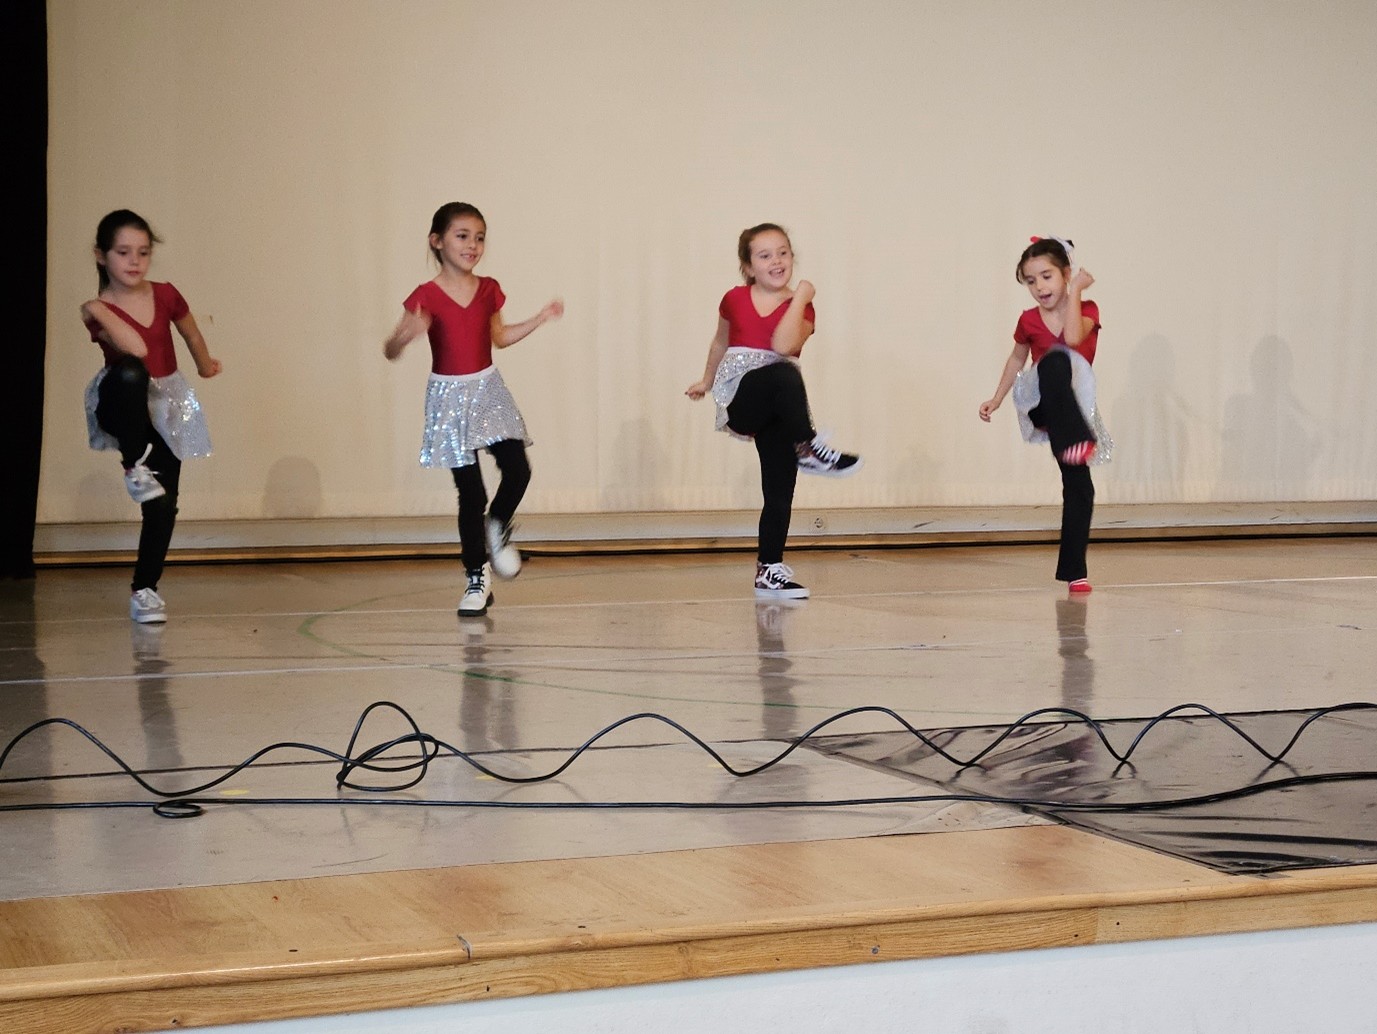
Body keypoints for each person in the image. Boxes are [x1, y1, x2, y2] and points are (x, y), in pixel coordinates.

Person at [384, 202, 562, 617]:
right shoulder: (425, 296)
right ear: (438, 241)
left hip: (486, 389)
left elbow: (498, 337)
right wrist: (403, 337)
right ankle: (476, 577)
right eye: (462, 236)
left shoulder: (488, 289)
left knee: (518, 468)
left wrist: (539, 318)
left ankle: (497, 526)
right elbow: (390, 349)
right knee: (471, 491)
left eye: (479, 237)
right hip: (448, 397)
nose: (473, 245)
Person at [686, 222, 861, 601]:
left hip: (781, 401)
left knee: (779, 490)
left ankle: (769, 570)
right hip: (742, 396)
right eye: (764, 255)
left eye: (783, 252)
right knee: (781, 372)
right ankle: (809, 448)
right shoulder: (734, 298)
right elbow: (721, 341)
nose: (776, 260)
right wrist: (706, 379)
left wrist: (799, 297)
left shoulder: (802, 306)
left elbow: (784, 343)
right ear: (748, 267)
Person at [80, 210, 222, 624]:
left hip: (166, 404)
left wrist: (204, 363)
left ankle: (145, 590)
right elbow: (135, 350)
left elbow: (190, 332)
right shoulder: (98, 310)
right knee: (131, 371)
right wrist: (98, 305)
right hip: (121, 400)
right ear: (101, 256)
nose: (135, 261)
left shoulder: (166, 294)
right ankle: (132, 465)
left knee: (163, 506)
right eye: (123, 252)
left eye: (143, 252)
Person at [979, 236, 1109, 593]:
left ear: (1066, 273)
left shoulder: (1087, 309)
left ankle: (1075, 571)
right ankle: (1074, 439)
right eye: (1031, 281)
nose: (1039, 287)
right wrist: (997, 398)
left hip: (1074, 410)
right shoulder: (1028, 320)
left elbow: (1071, 336)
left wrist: (1078, 291)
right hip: (1041, 403)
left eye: (1046, 276)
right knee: (1051, 361)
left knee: (1080, 487)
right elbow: (1018, 358)